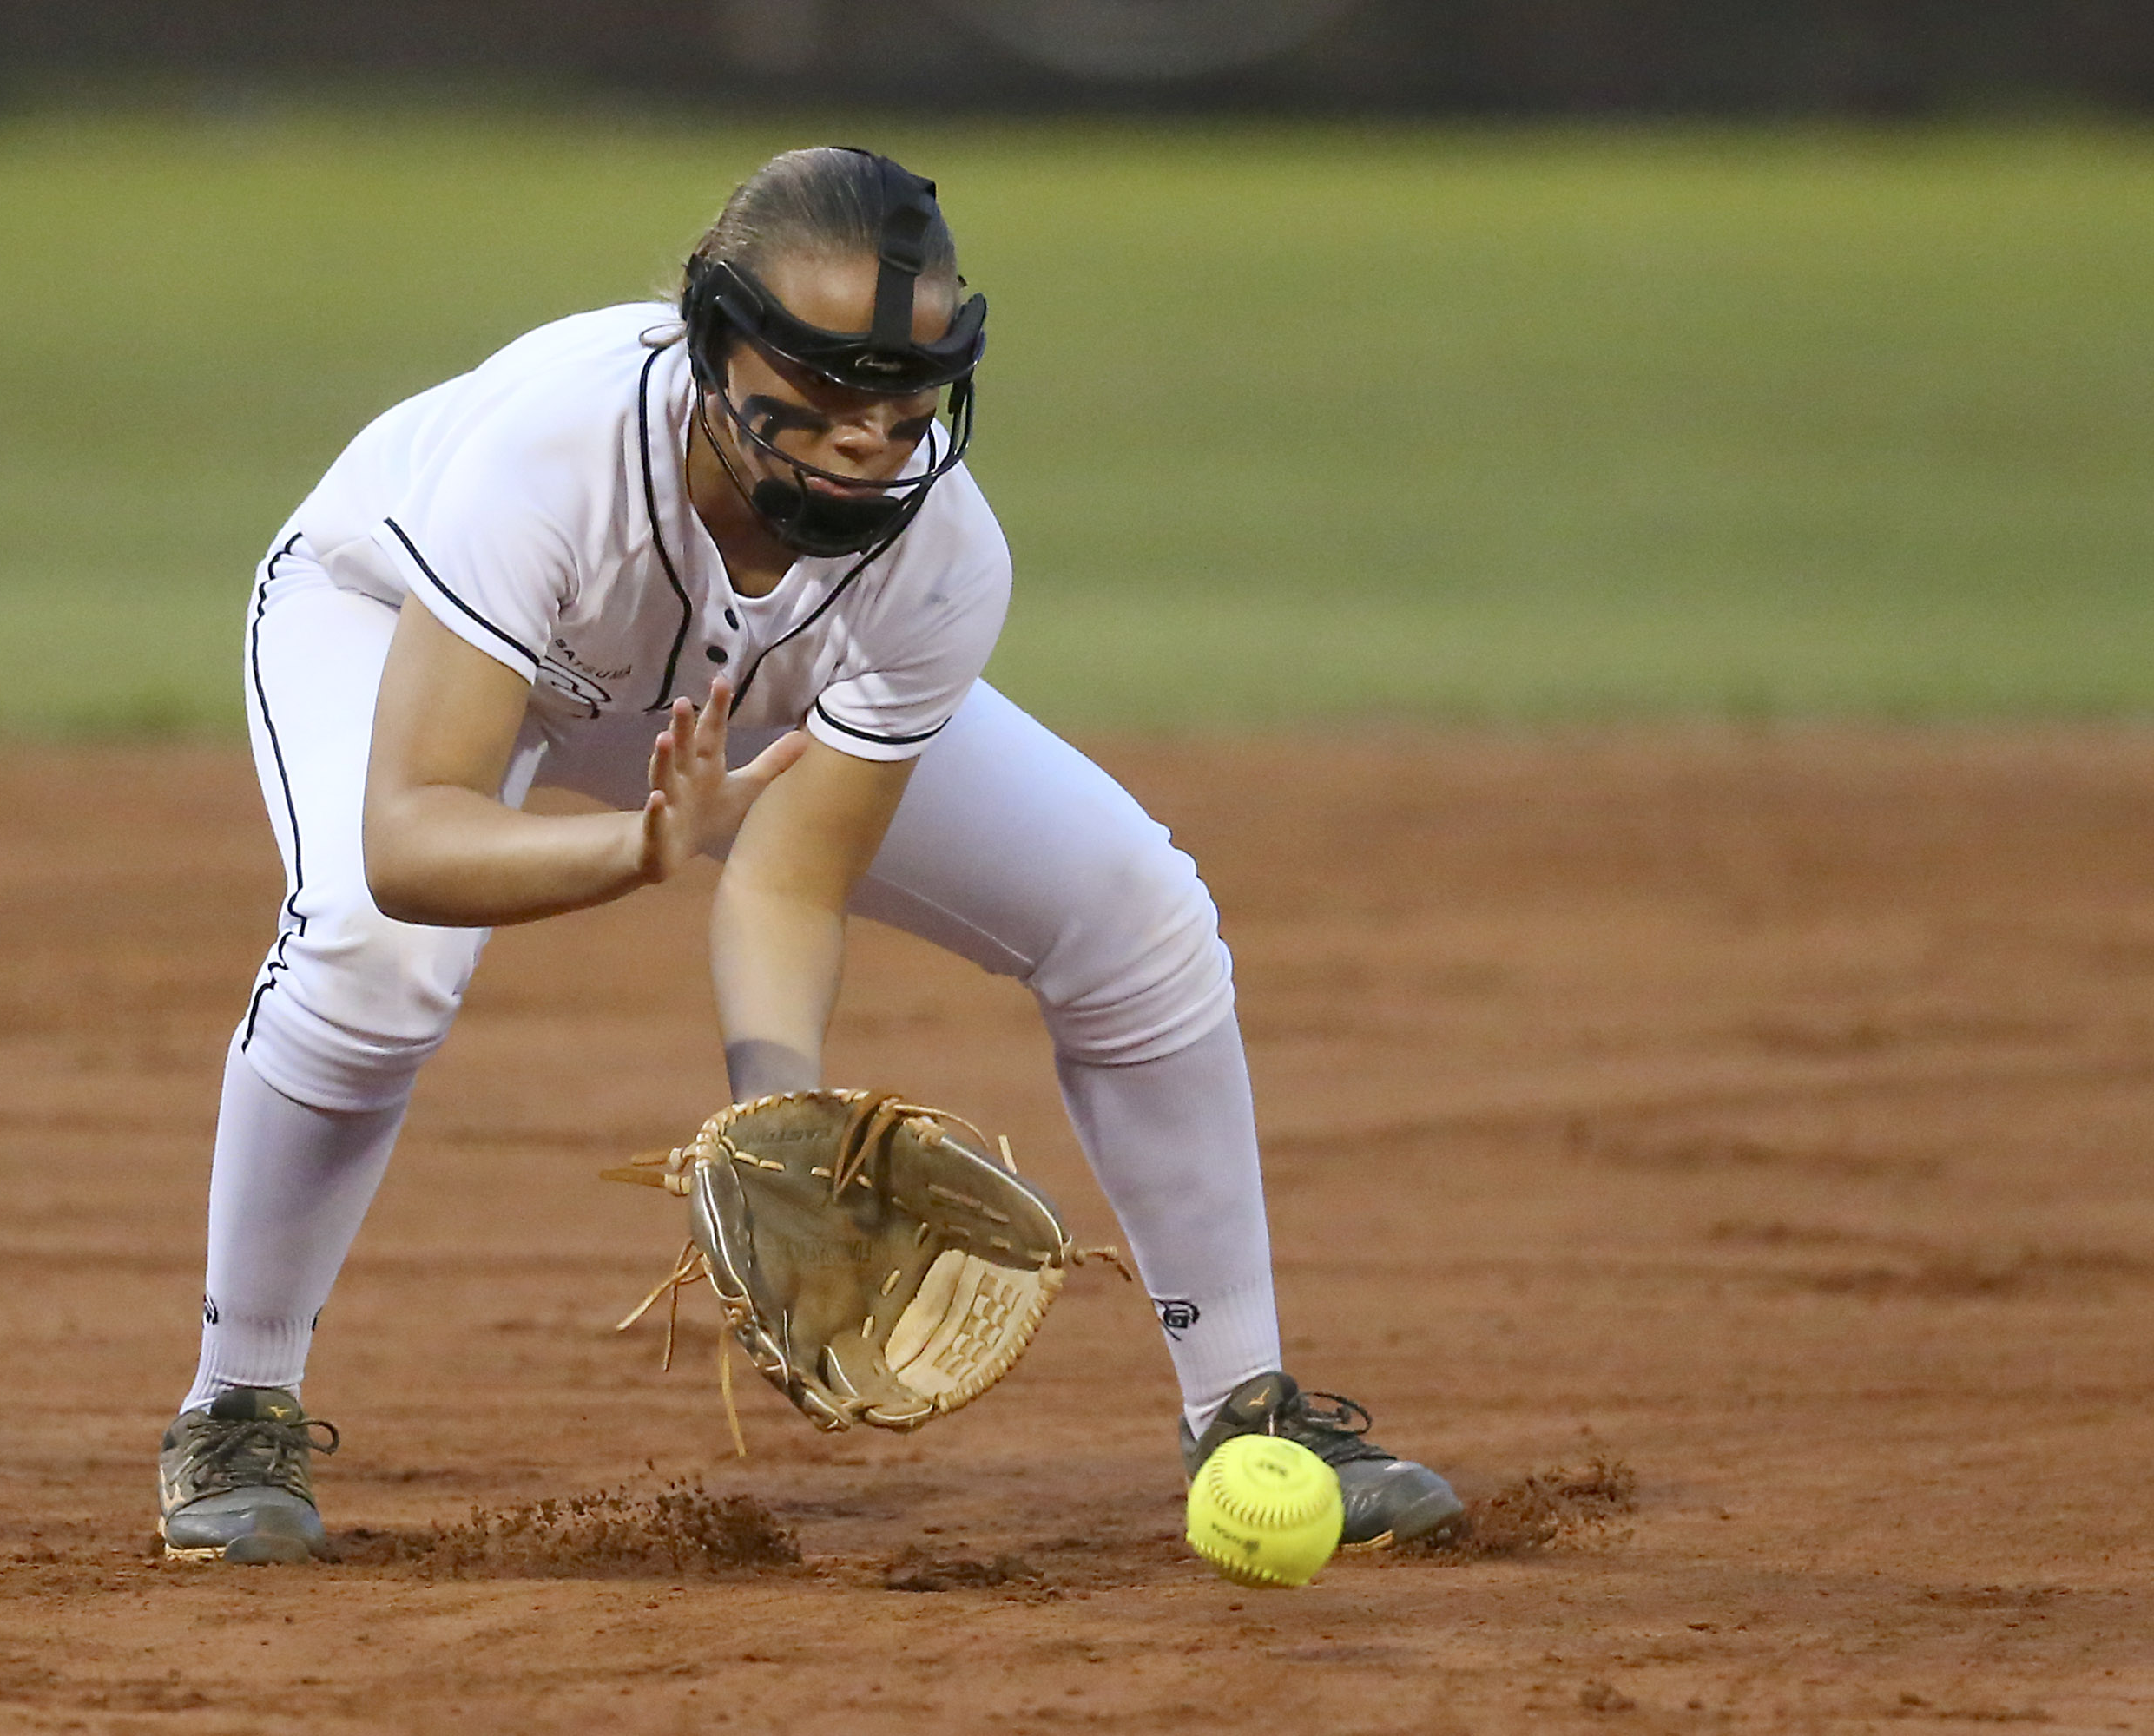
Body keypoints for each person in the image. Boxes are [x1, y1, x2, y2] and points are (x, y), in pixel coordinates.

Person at [154, 146, 1462, 1565]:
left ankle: (1250, 1410)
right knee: (375, 952)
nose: (864, 437)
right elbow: (411, 838)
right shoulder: (554, 463)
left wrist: (783, 1133)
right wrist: (636, 848)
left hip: (729, 703)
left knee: (1135, 914)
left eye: (900, 403)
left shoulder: (940, 554)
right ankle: (236, 1409)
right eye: (822, 392)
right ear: (712, 349)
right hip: (403, 622)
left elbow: (787, 874)